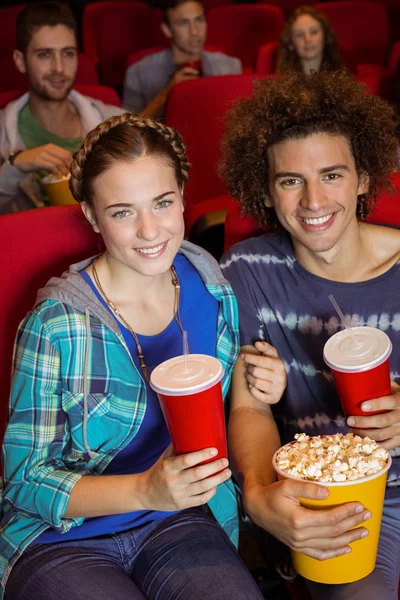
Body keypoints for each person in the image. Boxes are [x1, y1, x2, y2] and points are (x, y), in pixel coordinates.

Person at [0, 111, 265, 600]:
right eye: (123, 211)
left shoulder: (211, 284)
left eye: (162, 203)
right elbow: (23, 480)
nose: (150, 230)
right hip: (61, 538)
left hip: (176, 520)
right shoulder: (55, 325)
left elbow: (228, 407)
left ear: (183, 195)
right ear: (91, 216)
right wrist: (146, 490)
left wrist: (258, 380)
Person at [220, 71, 400, 600]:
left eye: (332, 174)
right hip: (339, 501)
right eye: (290, 180)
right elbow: (250, 408)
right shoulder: (246, 269)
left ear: (364, 177)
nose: (312, 200)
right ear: (266, 190)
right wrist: (257, 494)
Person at [0, 2, 124, 215]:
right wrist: (14, 166)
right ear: (20, 61)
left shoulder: (113, 120)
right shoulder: (2, 131)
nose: (58, 67)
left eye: (67, 53)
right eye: (45, 55)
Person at [122, 0, 242, 118]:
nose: (194, 31)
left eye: (199, 20)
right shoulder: (138, 72)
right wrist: (167, 94)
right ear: (167, 30)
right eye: (183, 23)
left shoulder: (231, 66)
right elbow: (127, 132)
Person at [276, 5, 347, 76]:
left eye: (314, 32)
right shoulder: (279, 83)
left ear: (325, 35)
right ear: (290, 43)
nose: (308, 39)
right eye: (299, 34)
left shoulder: (343, 78)